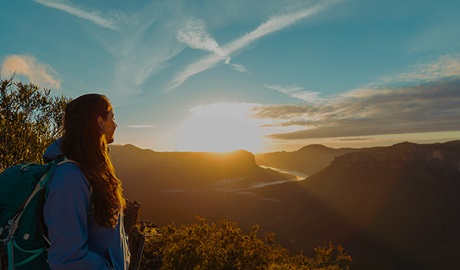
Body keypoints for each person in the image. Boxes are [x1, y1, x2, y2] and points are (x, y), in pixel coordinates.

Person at [42, 94, 130, 269]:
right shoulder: (69, 178)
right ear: (99, 122)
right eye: (112, 117)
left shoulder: (92, 168)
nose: (115, 124)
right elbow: (67, 259)